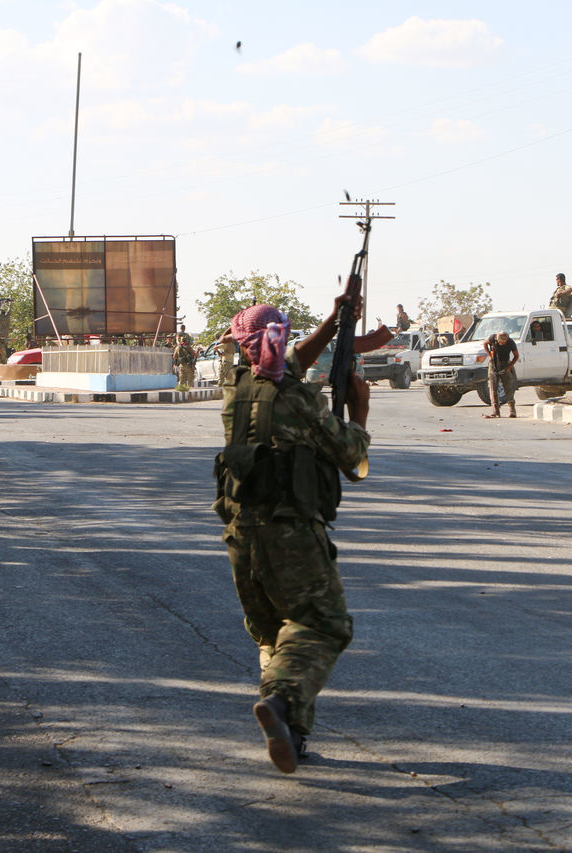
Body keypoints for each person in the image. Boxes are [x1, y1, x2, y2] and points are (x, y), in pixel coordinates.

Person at [214, 292, 370, 774]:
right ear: (279, 340)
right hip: (292, 536)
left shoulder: (233, 389)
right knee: (324, 624)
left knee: (275, 637)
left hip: (243, 538)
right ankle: (281, 704)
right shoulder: (298, 399)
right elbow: (352, 460)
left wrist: (337, 322)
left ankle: (291, 735)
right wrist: (359, 411)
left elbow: (286, 362)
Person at [483, 330, 519, 418]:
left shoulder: (510, 342)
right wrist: (490, 356)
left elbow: (516, 356)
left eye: (504, 342)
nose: (502, 344)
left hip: (505, 364)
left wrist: (509, 367)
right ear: (497, 340)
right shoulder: (492, 338)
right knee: (493, 388)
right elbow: (485, 344)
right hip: (494, 365)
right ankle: (496, 411)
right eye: (500, 342)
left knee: (508, 387)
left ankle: (512, 410)